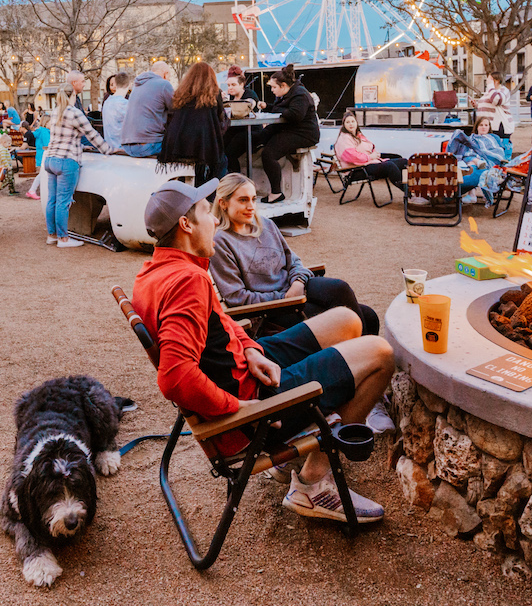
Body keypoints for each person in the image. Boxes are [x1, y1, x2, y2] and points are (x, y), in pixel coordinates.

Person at [132, 179, 393, 522]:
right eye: (207, 213)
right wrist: (238, 407)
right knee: (381, 354)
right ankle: (314, 483)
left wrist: (252, 350)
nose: (213, 221)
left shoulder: (159, 270)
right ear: (186, 225)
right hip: (253, 409)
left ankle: (313, 436)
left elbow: (222, 324)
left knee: (346, 319)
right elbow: (175, 378)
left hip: (246, 368)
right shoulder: (186, 282)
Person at [210, 174, 380, 335]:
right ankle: (363, 354)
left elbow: (294, 261)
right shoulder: (221, 242)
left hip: (296, 293)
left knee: (360, 307)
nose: (251, 207)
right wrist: (284, 297)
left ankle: (366, 355)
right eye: (243, 200)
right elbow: (236, 297)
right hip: (273, 310)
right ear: (223, 203)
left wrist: (298, 282)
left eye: (253, 199)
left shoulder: (266, 226)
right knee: (359, 318)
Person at [42, 81, 116, 247]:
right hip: (66, 162)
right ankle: (63, 239)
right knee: (63, 201)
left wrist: (80, 146)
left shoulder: (55, 112)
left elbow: (62, 138)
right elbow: (92, 134)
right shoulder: (74, 112)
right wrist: (108, 150)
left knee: (52, 201)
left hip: (50, 159)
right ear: (73, 96)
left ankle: (52, 235)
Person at [255, 65, 320, 204]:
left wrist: (276, 110)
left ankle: (276, 193)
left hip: (304, 133)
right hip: (292, 129)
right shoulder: (291, 93)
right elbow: (284, 109)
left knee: (269, 154)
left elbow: (295, 115)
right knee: (259, 137)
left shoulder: (300, 95)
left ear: (283, 86)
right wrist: (268, 106)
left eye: (273, 87)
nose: (272, 90)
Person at [159, 62, 227, 185]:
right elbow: (221, 119)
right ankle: (207, 197)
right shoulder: (214, 94)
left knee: (198, 162)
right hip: (201, 143)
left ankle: (191, 194)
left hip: (177, 145)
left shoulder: (180, 93)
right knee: (221, 161)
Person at [333, 111, 406, 193]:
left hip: (368, 163)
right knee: (390, 166)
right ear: (344, 125)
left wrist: (375, 154)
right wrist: (371, 157)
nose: (351, 124)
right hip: (355, 171)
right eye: (348, 122)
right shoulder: (344, 139)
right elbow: (353, 157)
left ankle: (415, 188)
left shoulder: (358, 135)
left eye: (353, 121)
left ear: (356, 123)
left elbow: (370, 147)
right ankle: (409, 193)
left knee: (403, 161)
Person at [447, 117, 508, 204]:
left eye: (486, 125)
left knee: (472, 174)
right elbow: (466, 152)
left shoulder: (494, 138)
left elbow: (499, 153)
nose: (484, 127)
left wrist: (482, 157)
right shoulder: (471, 139)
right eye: (481, 125)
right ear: (477, 127)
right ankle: (476, 163)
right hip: (472, 162)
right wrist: (475, 159)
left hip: (490, 164)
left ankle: (467, 195)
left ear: (489, 127)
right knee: (469, 161)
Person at [121, 61, 174, 157]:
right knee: (182, 147)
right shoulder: (164, 84)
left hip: (127, 145)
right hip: (147, 144)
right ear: (165, 74)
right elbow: (176, 109)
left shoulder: (137, 85)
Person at [222, 66, 261, 175]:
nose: (230, 88)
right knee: (220, 145)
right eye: (228, 85)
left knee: (230, 153)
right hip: (235, 130)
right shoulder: (229, 97)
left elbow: (250, 104)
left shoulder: (250, 95)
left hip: (250, 130)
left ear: (242, 84)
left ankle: (236, 178)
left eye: (233, 85)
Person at [472, 72, 513, 138]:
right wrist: (477, 105)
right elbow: (488, 104)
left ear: (497, 80)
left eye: (489, 80)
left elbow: (496, 100)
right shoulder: (490, 92)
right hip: (487, 125)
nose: (487, 82)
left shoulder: (504, 91)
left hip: (498, 126)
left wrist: (490, 86)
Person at [100, 71, 131, 151]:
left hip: (109, 147)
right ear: (129, 85)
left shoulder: (107, 102)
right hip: (123, 149)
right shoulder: (126, 104)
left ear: (116, 84)